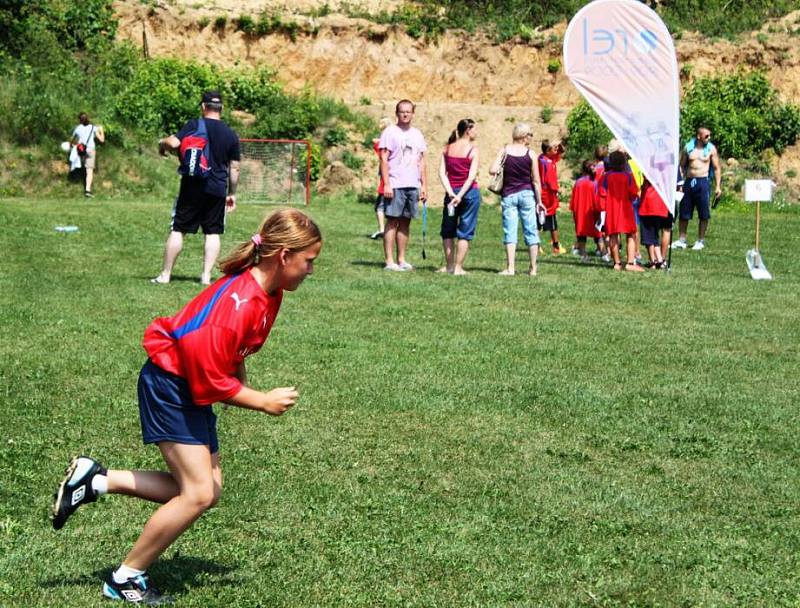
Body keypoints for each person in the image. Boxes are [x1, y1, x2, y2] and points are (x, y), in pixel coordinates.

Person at [51, 208, 322, 605]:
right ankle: (125, 577)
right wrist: (260, 401)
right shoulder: (238, 304)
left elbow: (234, 349)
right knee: (196, 493)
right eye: (309, 261)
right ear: (283, 256)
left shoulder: (269, 291)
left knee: (207, 490)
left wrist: (241, 379)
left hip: (188, 384)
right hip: (171, 385)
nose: (310, 270)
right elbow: (209, 379)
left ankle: (94, 481)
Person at [152, 91, 241, 286]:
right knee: (212, 232)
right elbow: (234, 167)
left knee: (178, 229)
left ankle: (165, 275)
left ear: (203, 107)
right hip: (217, 188)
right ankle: (206, 277)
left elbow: (173, 143)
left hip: (192, 185)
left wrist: (161, 143)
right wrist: (232, 193)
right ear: (222, 109)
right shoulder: (231, 134)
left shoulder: (194, 125)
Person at [379, 99, 428, 271]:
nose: (405, 114)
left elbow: (421, 162)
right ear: (397, 113)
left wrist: (424, 186)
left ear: (413, 113)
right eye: (402, 111)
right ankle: (389, 261)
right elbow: (383, 159)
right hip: (395, 184)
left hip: (412, 184)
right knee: (392, 220)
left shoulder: (417, 134)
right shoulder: (390, 132)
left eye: (408, 111)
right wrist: (387, 184)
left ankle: (401, 259)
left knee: (406, 222)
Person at [490, 123, 545, 276]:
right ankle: (533, 268)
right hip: (527, 194)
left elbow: (492, 170)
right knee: (531, 230)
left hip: (509, 195)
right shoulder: (531, 154)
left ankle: (511, 268)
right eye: (529, 135)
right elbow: (536, 180)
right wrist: (539, 201)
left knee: (510, 231)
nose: (530, 138)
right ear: (523, 136)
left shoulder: (505, 151)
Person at [438, 118, 480, 275]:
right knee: (465, 230)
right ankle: (458, 268)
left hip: (452, 194)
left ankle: (449, 266)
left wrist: (451, 193)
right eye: (475, 129)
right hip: (469, 194)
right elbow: (471, 176)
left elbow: (442, 173)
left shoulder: (447, 148)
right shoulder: (473, 150)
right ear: (468, 130)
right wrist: (460, 195)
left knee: (448, 230)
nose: (476, 132)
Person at [673, 126, 721, 251]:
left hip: (703, 182)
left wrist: (718, 186)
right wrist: (680, 183)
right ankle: (682, 239)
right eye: (706, 136)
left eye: (709, 136)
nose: (709, 138)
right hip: (689, 181)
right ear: (699, 136)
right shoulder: (688, 148)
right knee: (684, 212)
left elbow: (716, 168)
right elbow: (682, 166)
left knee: (703, 213)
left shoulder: (711, 149)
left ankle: (701, 240)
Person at [598, 150, 643, 272]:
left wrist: (602, 210)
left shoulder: (605, 177)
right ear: (624, 162)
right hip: (626, 209)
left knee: (613, 235)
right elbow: (634, 193)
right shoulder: (628, 176)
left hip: (611, 210)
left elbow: (601, 194)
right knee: (631, 235)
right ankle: (630, 262)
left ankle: (616, 263)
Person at [569, 160, 603, 263]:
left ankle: (583, 254)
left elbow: (573, 200)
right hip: (592, 212)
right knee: (598, 234)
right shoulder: (595, 183)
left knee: (581, 234)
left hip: (580, 213)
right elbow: (597, 200)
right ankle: (604, 253)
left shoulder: (578, 182)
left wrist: (574, 211)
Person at [537, 139, 565, 255]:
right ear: (548, 151)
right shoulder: (547, 162)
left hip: (545, 194)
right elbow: (549, 180)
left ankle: (539, 246)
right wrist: (556, 190)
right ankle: (555, 246)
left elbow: (562, 152)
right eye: (554, 148)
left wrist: (558, 144)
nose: (557, 149)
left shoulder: (546, 158)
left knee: (541, 219)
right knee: (548, 220)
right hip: (547, 195)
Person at [638, 177, 672, 269]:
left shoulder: (649, 169)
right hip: (661, 205)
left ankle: (654, 261)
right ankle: (659, 260)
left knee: (648, 235)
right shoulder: (666, 170)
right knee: (654, 236)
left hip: (648, 204)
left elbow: (646, 182)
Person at [71, 112, 106, 198]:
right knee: (89, 171)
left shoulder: (77, 128)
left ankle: (75, 177)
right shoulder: (93, 128)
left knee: (82, 168)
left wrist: (74, 146)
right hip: (90, 150)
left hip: (81, 151)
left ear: (79, 120)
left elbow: (72, 141)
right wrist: (101, 130)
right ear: (88, 119)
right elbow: (102, 140)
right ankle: (87, 190)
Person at [370, 117, 393, 240]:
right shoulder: (395, 144)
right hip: (395, 180)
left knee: (379, 207)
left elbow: (375, 141)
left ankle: (382, 230)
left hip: (386, 181)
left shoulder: (382, 146)